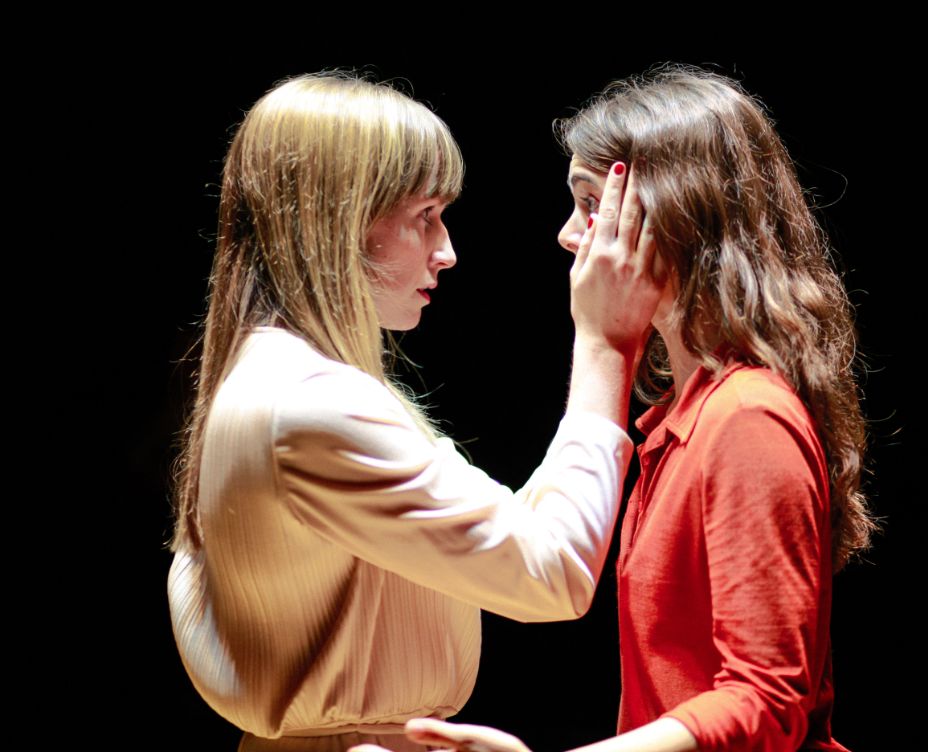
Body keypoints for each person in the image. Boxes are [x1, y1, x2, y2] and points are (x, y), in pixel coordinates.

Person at [366, 65, 877, 752]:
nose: (568, 234)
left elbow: (766, 701)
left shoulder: (747, 417)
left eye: (590, 204)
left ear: (674, 211)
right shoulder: (680, 417)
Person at [167, 72, 662, 752]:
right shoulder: (308, 403)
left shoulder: (274, 380)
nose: (447, 250)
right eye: (424, 215)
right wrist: (605, 344)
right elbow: (552, 572)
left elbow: (516, 531)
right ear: (338, 221)